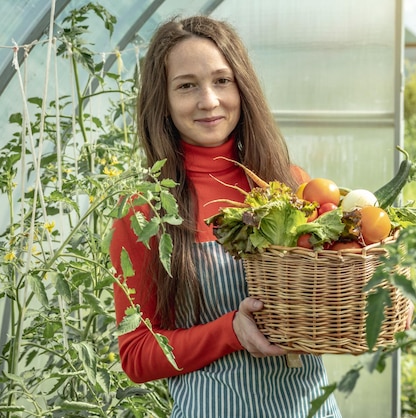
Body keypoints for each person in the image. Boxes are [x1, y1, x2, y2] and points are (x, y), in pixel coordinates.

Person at [109, 15, 342, 418]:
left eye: (221, 80)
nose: (209, 101)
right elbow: (136, 353)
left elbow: (327, 296)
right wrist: (229, 332)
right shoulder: (145, 210)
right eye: (186, 86)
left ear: (242, 87)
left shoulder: (289, 187)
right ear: (162, 101)